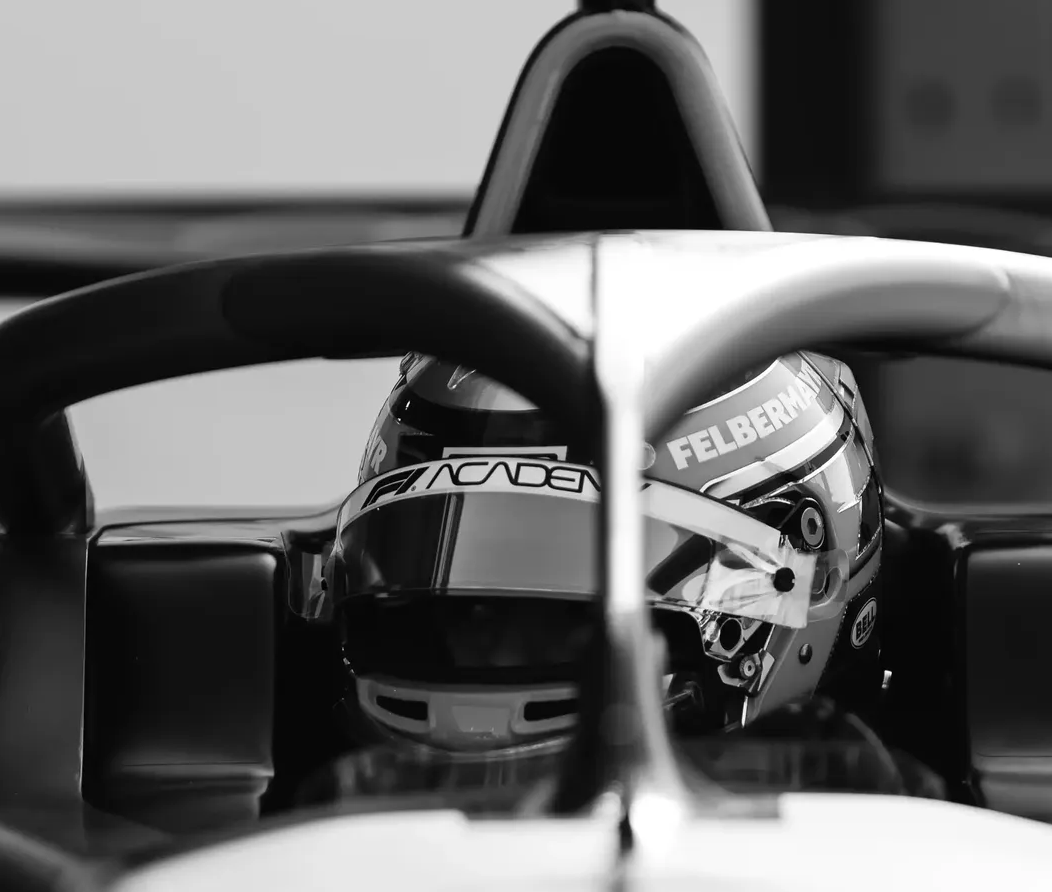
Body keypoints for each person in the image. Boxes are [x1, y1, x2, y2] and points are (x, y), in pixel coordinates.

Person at [294, 343, 938, 804]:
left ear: (804, 578)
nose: (482, 640)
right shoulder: (315, 833)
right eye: (455, 605)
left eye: (562, 611)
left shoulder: (896, 872)